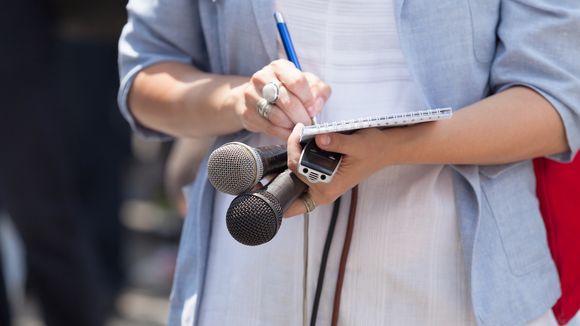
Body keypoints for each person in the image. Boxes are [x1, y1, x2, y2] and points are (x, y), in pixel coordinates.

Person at [118, 0, 580, 325]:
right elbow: (144, 77)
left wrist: (395, 148)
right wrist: (240, 99)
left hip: (458, 278)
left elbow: (556, 101)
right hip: (248, 265)